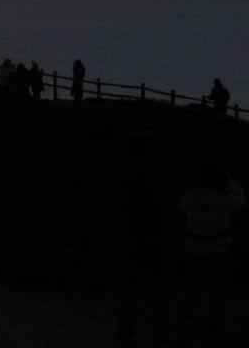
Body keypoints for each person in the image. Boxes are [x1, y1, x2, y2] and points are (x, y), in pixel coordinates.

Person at [175, 160, 245, 348]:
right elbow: (240, 199)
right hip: (220, 251)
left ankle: (184, 333)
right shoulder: (226, 200)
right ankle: (217, 333)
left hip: (194, 250)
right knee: (219, 295)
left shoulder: (187, 198)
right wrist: (229, 181)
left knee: (191, 294)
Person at [112, 131, 173, 346]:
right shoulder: (158, 173)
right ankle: (162, 335)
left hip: (133, 238)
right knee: (158, 291)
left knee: (131, 292)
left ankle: (125, 335)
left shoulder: (125, 174)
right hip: (154, 238)